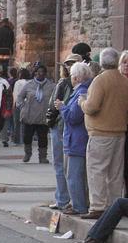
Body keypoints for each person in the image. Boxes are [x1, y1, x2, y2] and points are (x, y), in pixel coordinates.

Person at [78, 47, 128, 218]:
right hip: (119, 132)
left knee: (97, 170)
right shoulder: (124, 81)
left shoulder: (100, 80)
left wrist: (82, 102)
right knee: (115, 173)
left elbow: (92, 107)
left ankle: (98, 206)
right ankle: (114, 206)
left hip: (101, 132)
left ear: (101, 62)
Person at [58, 61, 93, 215]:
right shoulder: (80, 92)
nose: (70, 79)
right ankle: (78, 203)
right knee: (75, 175)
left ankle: (79, 205)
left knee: (74, 175)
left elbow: (73, 117)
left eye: (72, 76)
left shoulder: (81, 93)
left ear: (77, 78)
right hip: (75, 138)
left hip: (77, 140)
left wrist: (61, 107)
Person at [46, 56, 80, 209]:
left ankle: (62, 199)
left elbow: (54, 105)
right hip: (70, 127)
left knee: (60, 165)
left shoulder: (64, 83)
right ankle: (67, 199)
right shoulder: (83, 85)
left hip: (61, 125)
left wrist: (50, 120)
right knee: (69, 167)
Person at [15, 63, 54, 163]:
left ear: (45, 74)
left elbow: (55, 99)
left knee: (43, 138)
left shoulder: (51, 86)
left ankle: (42, 156)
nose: (40, 74)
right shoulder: (29, 85)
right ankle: (27, 153)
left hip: (43, 116)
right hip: (29, 115)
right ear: (35, 73)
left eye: (42, 72)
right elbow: (19, 97)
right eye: (38, 72)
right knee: (27, 137)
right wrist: (22, 106)